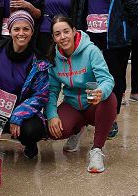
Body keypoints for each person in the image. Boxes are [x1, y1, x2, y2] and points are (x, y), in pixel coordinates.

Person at [77, 0, 138, 139]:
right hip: (91, 38)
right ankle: (93, 114)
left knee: (114, 78)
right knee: (92, 77)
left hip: (115, 41)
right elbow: (83, 8)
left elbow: (134, 9)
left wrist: (123, 30)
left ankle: (111, 118)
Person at [45, 15, 117, 173]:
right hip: (72, 104)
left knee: (110, 98)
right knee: (56, 132)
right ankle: (77, 131)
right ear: (53, 37)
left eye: (66, 31)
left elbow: (107, 80)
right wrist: (51, 115)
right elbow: (52, 91)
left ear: (74, 31)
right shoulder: (53, 58)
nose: (63, 37)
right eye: (58, 34)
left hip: (93, 102)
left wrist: (101, 92)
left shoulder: (91, 51)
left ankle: (97, 150)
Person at [0, 10, 50, 159]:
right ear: (9, 31)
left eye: (26, 29)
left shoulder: (39, 61)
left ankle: (29, 144)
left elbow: (41, 95)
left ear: (32, 32)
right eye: (16, 29)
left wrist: (19, 114)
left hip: (19, 113)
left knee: (33, 130)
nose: (21, 33)